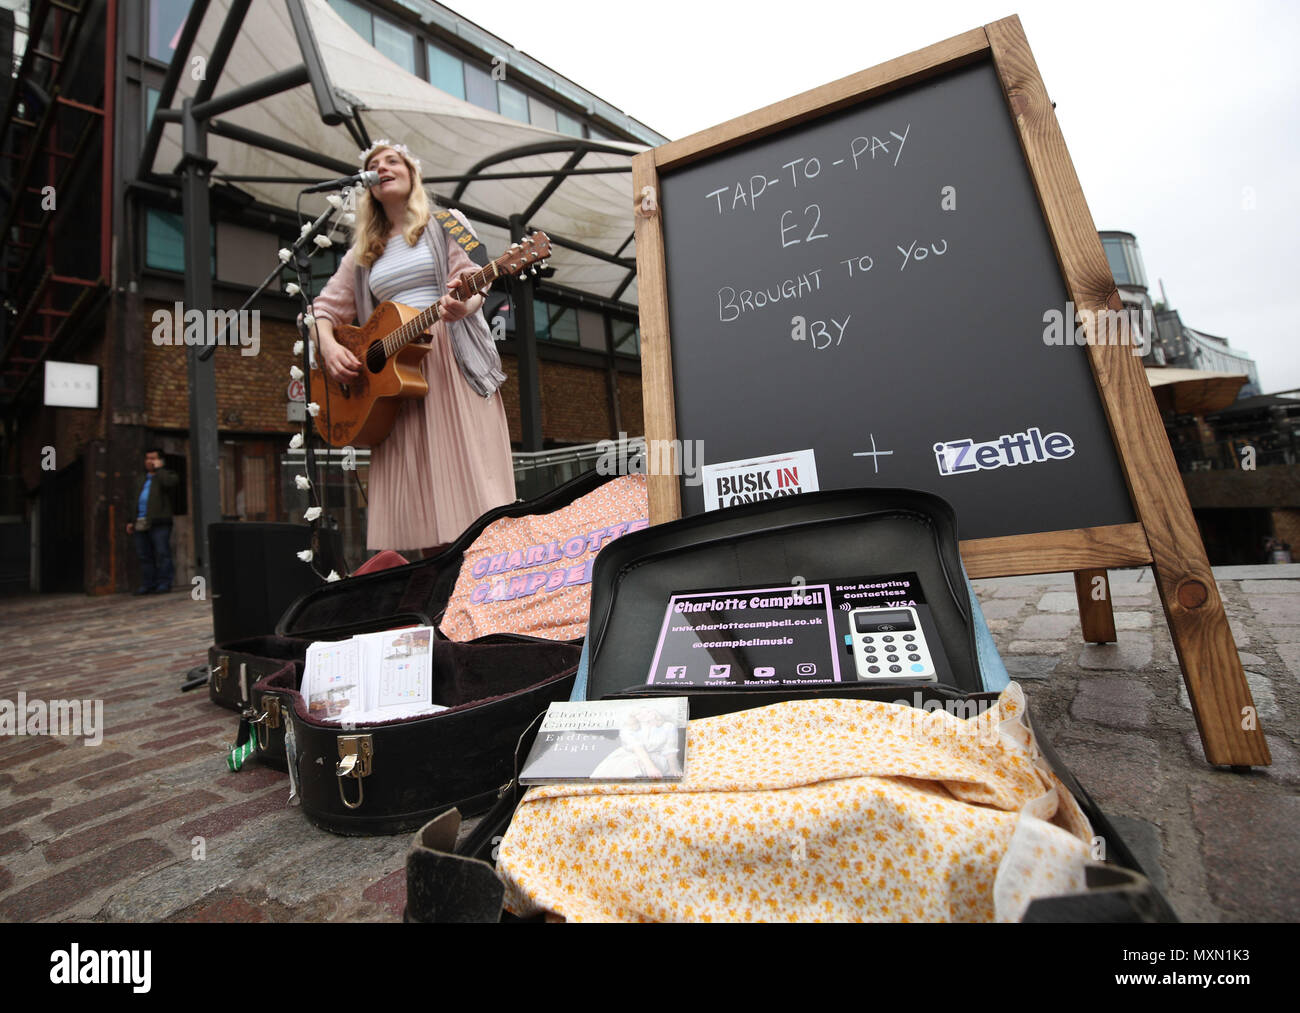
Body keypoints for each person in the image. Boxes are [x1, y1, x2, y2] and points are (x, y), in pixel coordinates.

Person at [310, 140, 515, 556]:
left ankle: (482, 591)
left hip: (447, 359)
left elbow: (476, 280)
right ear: (367, 185)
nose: (382, 167)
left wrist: (465, 303)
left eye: (392, 160)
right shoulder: (362, 253)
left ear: (411, 172)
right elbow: (319, 312)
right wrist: (329, 347)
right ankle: (432, 601)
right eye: (373, 165)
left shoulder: (448, 221)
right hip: (391, 379)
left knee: (468, 489)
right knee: (417, 502)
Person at [126, 447, 178, 594]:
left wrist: (160, 470)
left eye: (153, 458)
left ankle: (164, 583)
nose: (150, 461)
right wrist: (131, 521)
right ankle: (148, 584)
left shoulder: (167, 475)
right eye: (148, 458)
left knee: (162, 553)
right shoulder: (141, 479)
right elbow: (134, 501)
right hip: (140, 521)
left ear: (160, 460)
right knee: (144, 555)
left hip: (159, 521)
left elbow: (169, 483)